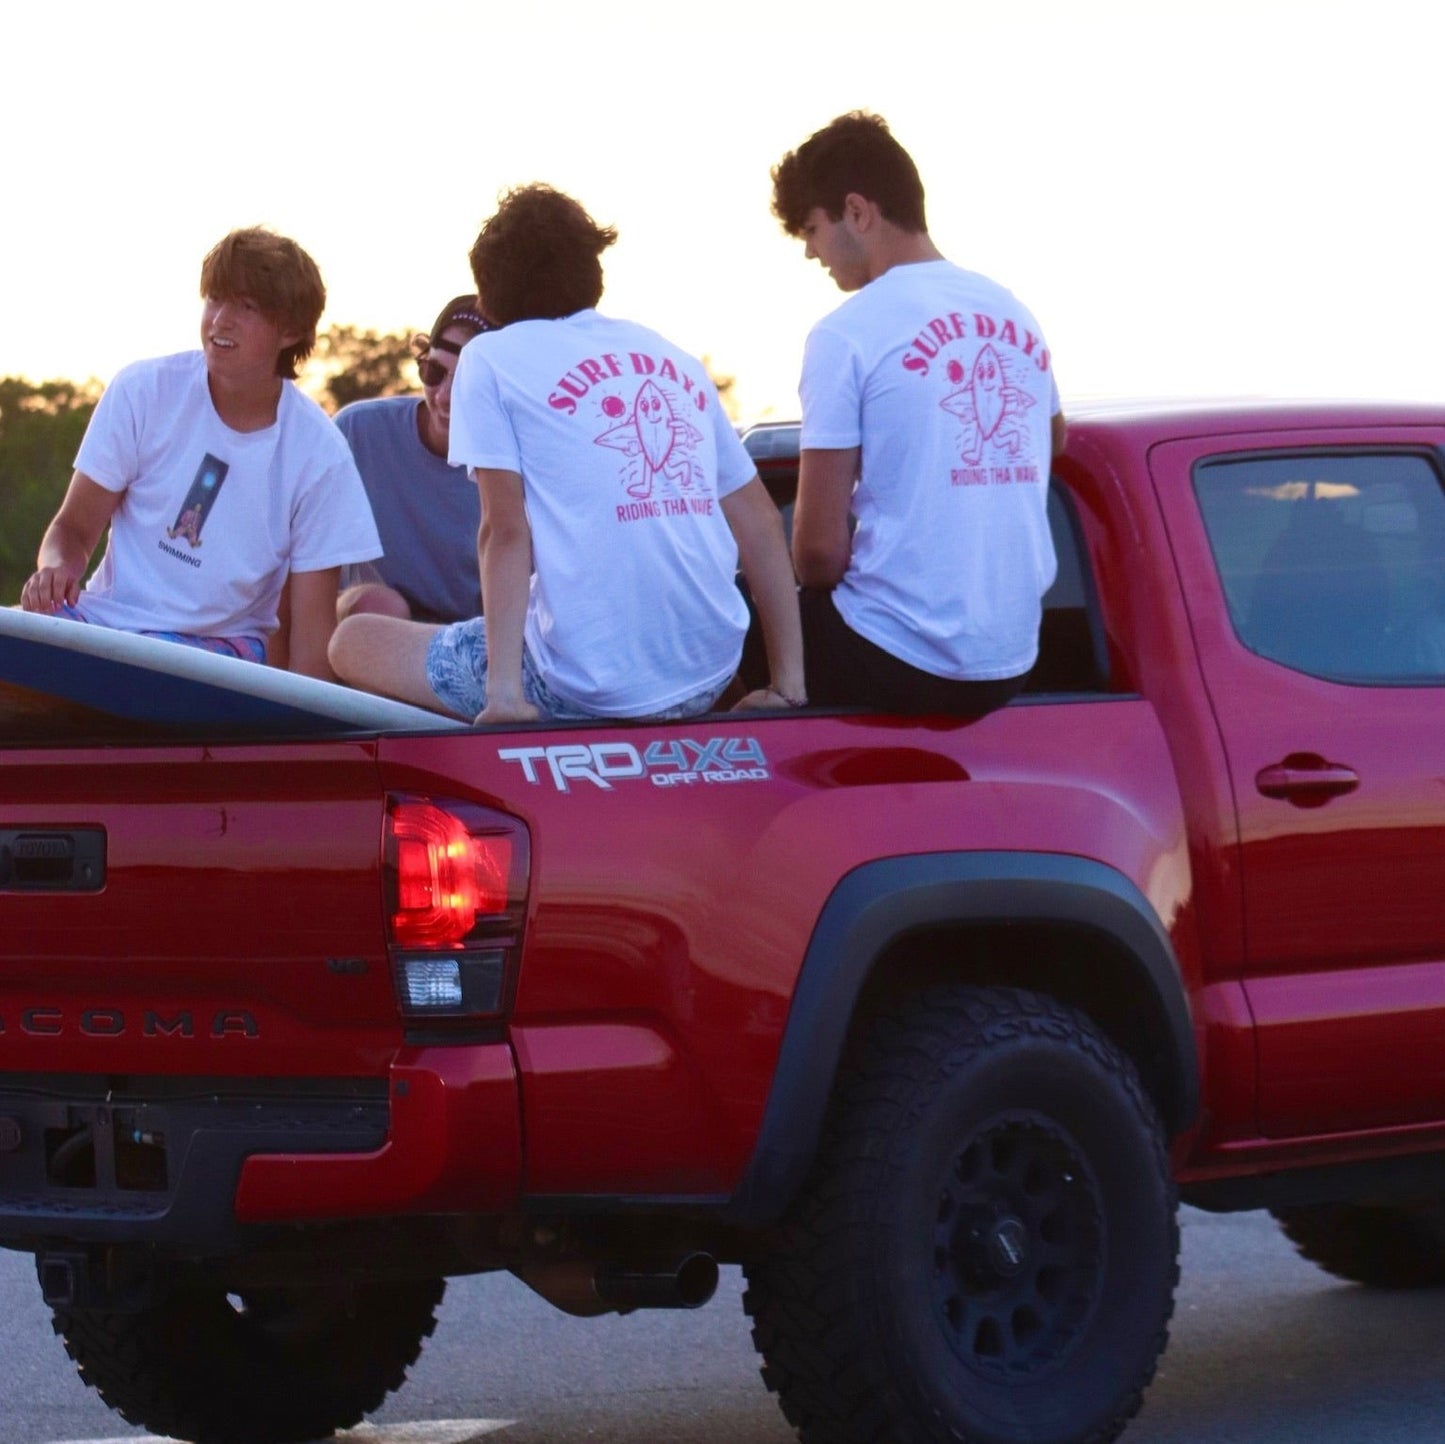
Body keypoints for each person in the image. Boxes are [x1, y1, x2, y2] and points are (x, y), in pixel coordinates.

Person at [330, 184, 804, 725]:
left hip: (584, 686)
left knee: (354, 639)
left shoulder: (491, 358)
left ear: (489, 295)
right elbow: (762, 521)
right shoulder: (671, 357)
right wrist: (788, 686)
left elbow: (504, 531)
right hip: (710, 671)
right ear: (591, 271)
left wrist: (504, 697)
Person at [771, 111, 1066, 715]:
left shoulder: (846, 333)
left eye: (811, 228)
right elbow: (1053, 438)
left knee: (732, 622)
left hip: (898, 659)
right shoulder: (1012, 311)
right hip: (1011, 658)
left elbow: (818, 556)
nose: (810, 253)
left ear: (857, 212)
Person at [19, 227, 380, 680]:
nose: (220, 321)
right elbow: (71, 531)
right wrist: (54, 571)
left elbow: (311, 645)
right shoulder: (142, 390)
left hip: (222, 657)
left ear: (290, 330)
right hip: (105, 628)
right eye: (214, 299)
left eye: (246, 307)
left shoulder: (321, 456)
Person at [333, 296, 492, 624]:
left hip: (462, 638)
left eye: (467, 381)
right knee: (380, 607)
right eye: (434, 372)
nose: (445, 396)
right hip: (363, 626)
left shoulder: (516, 467)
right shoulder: (358, 430)